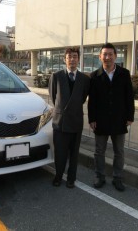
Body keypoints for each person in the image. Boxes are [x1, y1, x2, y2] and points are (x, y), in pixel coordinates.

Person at [88, 42, 135, 192]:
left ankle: (117, 178)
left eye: (110, 54)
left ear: (115, 56)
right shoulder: (94, 76)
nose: (107, 57)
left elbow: (129, 97)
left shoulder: (124, 73)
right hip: (100, 120)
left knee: (119, 152)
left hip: (119, 119)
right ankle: (99, 176)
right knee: (99, 151)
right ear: (100, 57)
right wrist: (92, 119)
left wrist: (130, 116)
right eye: (104, 54)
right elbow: (92, 100)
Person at [48, 47, 90, 188]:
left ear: (78, 59)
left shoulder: (84, 79)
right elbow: (54, 97)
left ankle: (71, 178)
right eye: (69, 57)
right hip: (60, 121)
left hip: (76, 120)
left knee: (74, 153)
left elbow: (82, 98)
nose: (72, 59)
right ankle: (58, 176)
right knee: (60, 152)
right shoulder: (57, 76)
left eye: (75, 56)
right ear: (64, 59)